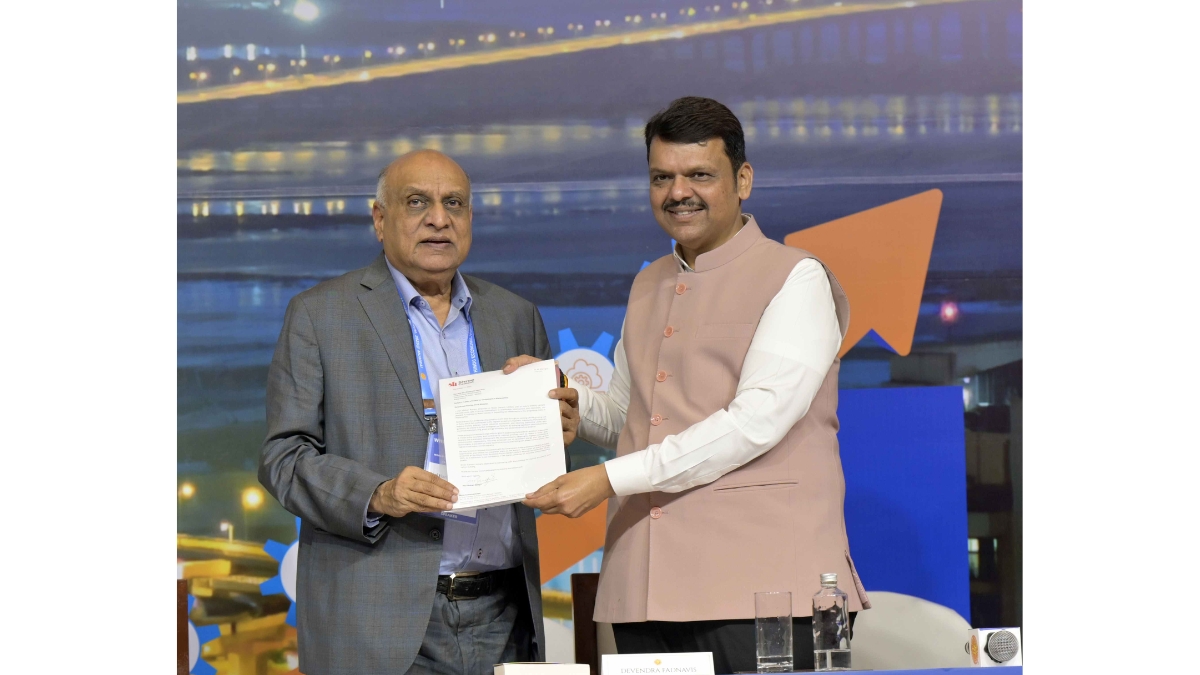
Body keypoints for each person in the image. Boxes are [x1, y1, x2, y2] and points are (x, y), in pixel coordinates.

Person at [505, 97, 871, 673]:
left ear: (743, 180)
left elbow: (756, 422)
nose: (679, 193)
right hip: (647, 585)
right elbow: (631, 415)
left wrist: (607, 479)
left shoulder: (796, 277)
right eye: (662, 178)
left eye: (699, 175)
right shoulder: (649, 282)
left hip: (766, 586)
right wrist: (567, 403)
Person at [259, 150, 579, 675]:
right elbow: (283, 458)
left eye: (454, 203)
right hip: (377, 619)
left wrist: (558, 430)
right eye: (416, 202)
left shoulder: (516, 316)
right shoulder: (320, 315)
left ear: (470, 218)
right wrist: (378, 494)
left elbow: (543, 467)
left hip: (505, 616)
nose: (438, 218)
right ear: (379, 219)